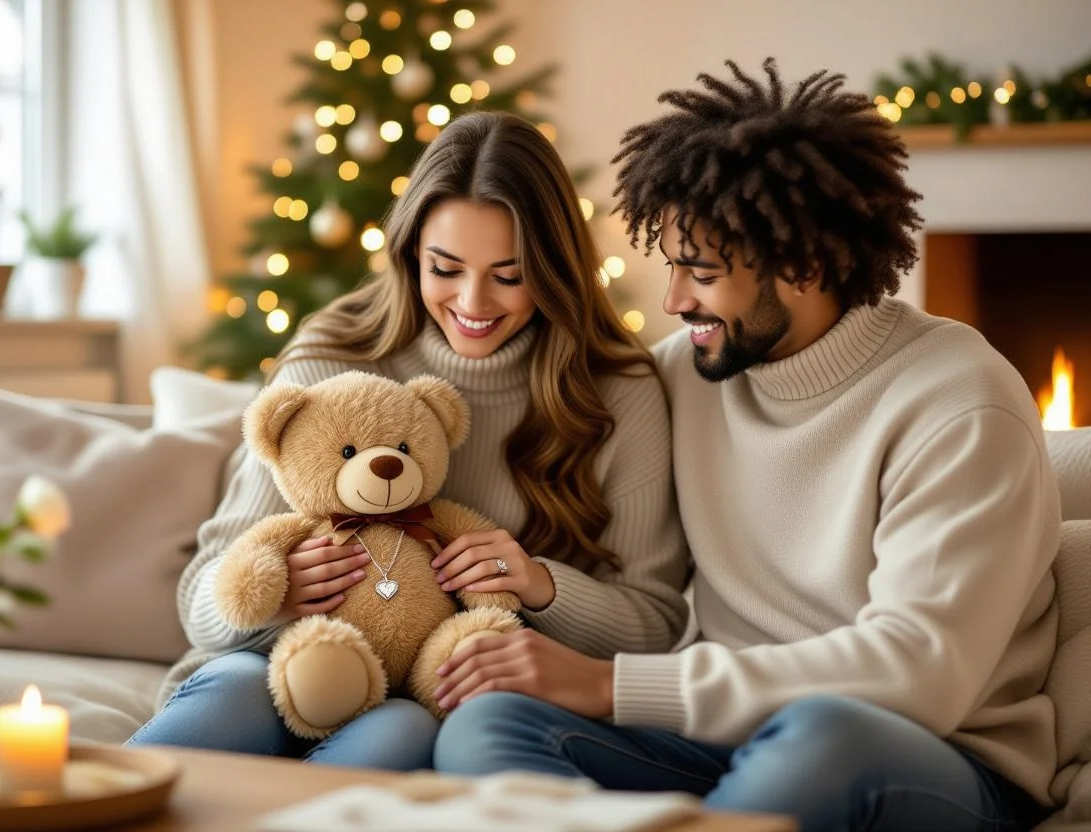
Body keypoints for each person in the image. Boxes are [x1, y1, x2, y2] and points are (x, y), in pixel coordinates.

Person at [432, 60, 1060, 831]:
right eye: (672, 266)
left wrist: (610, 685)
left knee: (822, 741)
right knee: (487, 726)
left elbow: (920, 673)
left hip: (932, 755)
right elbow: (522, 398)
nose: (673, 300)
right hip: (722, 741)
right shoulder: (681, 375)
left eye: (700, 273)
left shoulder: (959, 401)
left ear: (804, 266)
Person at [127, 111, 689, 770]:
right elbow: (201, 595)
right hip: (267, 667)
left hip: (433, 701)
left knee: (403, 734)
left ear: (554, 268)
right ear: (410, 253)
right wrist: (275, 593)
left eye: (509, 276)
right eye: (445, 268)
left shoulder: (616, 393)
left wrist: (540, 586)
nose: (473, 301)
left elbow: (656, 624)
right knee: (229, 703)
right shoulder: (331, 357)